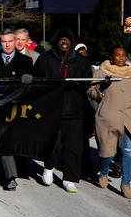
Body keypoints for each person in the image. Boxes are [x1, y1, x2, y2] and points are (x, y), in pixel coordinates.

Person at [34, 28, 92, 193]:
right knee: (51, 142)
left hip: (74, 110)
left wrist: (78, 85)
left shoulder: (81, 61)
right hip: (51, 108)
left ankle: (70, 178)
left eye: (67, 39)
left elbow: (86, 82)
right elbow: (37, 80)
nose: (64, 42)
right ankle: (49, 167)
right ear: (56, 41)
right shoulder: (45, 58)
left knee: (73, 145)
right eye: (61, 39)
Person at [88, 47, 131, 199]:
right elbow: (91, 92)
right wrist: (102, 87)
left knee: (129, 151)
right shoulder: (102, 70)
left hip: (129, 116)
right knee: (108, 152)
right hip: (108, 116)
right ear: (111, 57)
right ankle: (104, 171)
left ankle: (126, 184)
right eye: (117, 55)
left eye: (123, 55)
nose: (121, 58)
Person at [0, 29, 34, 191]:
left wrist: (29, 80)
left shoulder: (26, 61)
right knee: (4, 140)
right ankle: (10, 177)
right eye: (4, 42)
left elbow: (32, 85)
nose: (7, 45)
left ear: (15, 42)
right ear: (0, 43)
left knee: (16, 140)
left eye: (10, 41)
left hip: (18, 107)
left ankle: (18, 167)